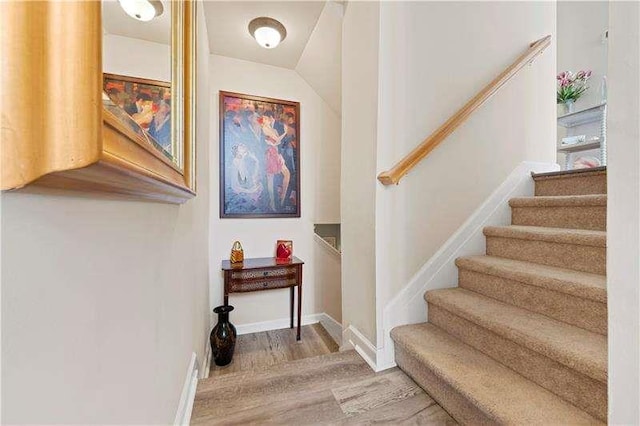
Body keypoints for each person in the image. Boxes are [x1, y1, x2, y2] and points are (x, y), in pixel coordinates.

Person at [260, 111, 290, 211]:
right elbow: (276, 141)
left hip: (276, 154)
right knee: (270, 180)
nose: (263, 120)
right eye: (263, 118)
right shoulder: (264, 128)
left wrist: (284, 133)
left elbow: (278, 142)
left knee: (286, 174)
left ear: (270, 118)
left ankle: (281, 199)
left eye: (265, 118)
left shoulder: (272, 129)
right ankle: (273, 203)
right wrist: (285, 133)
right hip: (270, 154)